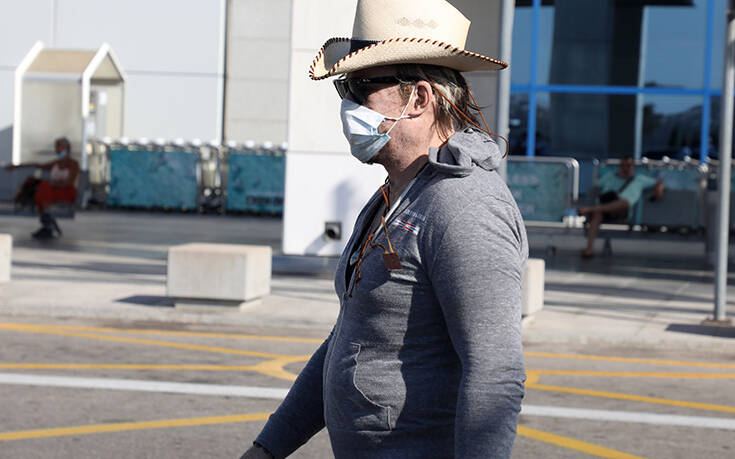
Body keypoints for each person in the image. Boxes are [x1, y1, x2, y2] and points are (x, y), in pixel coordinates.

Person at [241, 1, 527, 458]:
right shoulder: (394, 194)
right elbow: (353, 336)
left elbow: (495, 374)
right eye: (344, 89)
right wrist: (269, 447)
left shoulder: (465, 206)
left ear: (420, 98)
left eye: (361, 87)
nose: (347, 105)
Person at [578, 156, 664, 258]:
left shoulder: (639, 179)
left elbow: (658, 182)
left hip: (622, 211)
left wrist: (658, 192)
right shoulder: (610, 176)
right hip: (604, 208)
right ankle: (589, 249)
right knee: (597, 215)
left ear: (633, 167)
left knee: (624, 202)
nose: (625, 168)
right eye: (623, 165)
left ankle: (590, 209)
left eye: (628, 165)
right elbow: (596, 187)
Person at [4, 137, 79, 239]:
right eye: (56, 147)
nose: (57, 149)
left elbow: (69, 182)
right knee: (39, 186)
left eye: (60, 147)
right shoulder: (56, 163)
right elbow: (37, 165)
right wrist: (18, 166)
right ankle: (47, 223)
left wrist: (54, 183)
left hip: (66, 191)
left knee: (44, 188)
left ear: (67, 148)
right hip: (52, 191)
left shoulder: (74, 164)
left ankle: (48, 224)